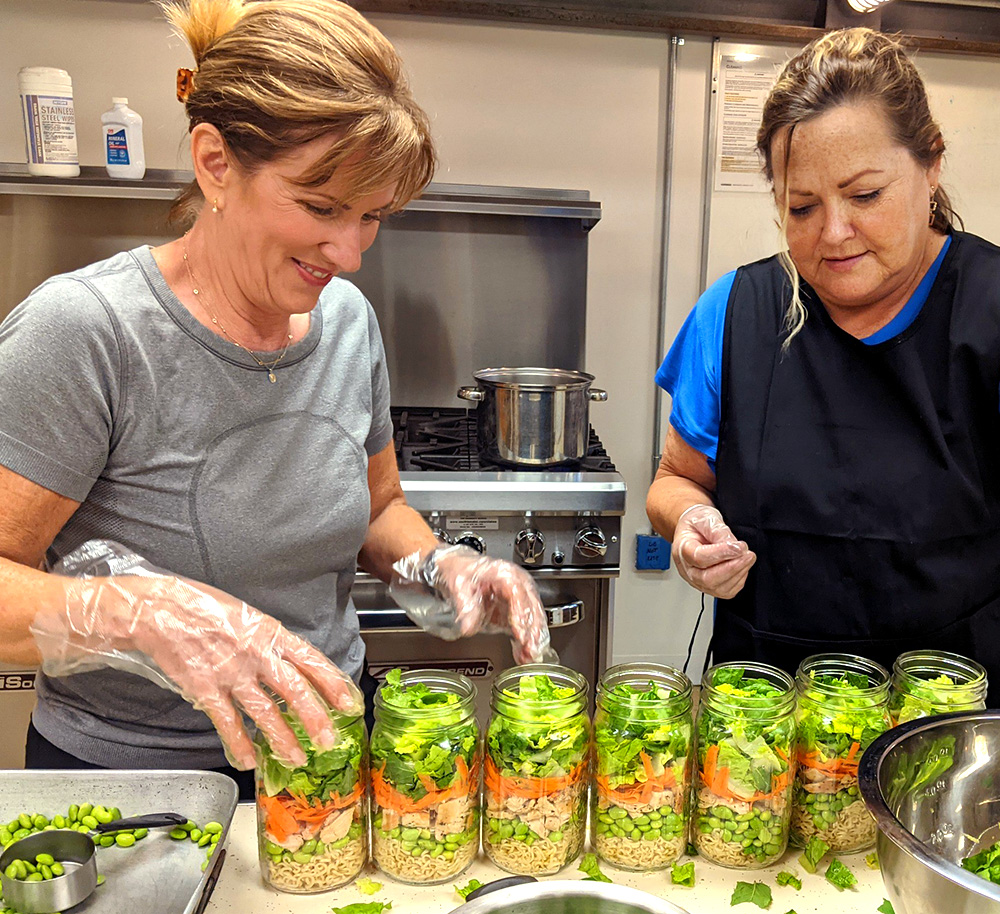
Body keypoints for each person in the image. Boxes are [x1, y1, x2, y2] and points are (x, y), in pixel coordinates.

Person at [0, 0, 549, 798]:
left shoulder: (347, 322)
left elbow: (376, 508)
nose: (350, 253)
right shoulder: (86, 330)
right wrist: (142, 616)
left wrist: (436, 563)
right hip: (134, 785)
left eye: (373, 217)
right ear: (215, 163)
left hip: (326, 755)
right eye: (322, 208)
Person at [647, 28, 1000, 698]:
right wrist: (690, 524)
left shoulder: (990, 313)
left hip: (949, 726)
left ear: (931, 165)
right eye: (801, 206)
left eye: (864, 195)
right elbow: (674, 480)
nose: (832, 233)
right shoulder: (735, 313)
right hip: (766, 721)